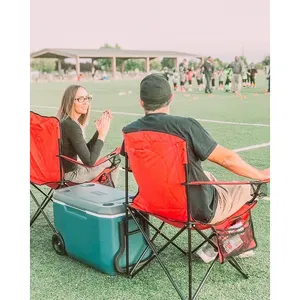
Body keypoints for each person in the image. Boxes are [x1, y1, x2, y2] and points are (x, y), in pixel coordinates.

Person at [121, 74, 270, 261]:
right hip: (194, 211)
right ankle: (222, 243)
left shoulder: (130, 131)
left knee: (207, 177)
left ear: (141, 102)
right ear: (171, 98)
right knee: (250, 187)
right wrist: (259, 174)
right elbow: (227, 159)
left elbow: (132, 167)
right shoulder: (185, 126)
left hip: (151, 205)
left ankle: (219, 242)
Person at [57, 85, 120, 184]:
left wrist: (98, 132)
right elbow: (90, 162)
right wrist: (102, 135)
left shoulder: (63, 121)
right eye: (81, 99)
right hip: (71, 175)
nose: (86, 102)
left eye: (87, 98)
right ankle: (105, 197)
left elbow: (84, 153)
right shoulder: (71, 126)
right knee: (115, 160)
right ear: (70, 101)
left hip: (59, 172)